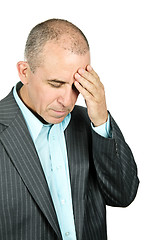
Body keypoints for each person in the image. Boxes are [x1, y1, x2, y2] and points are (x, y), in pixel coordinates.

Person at [0, 19, 139, 240]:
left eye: (76, 86)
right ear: (24, 72)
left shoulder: (91, 123)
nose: (67, 100)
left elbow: (123, 195)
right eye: (56, 84)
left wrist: (101, 120)